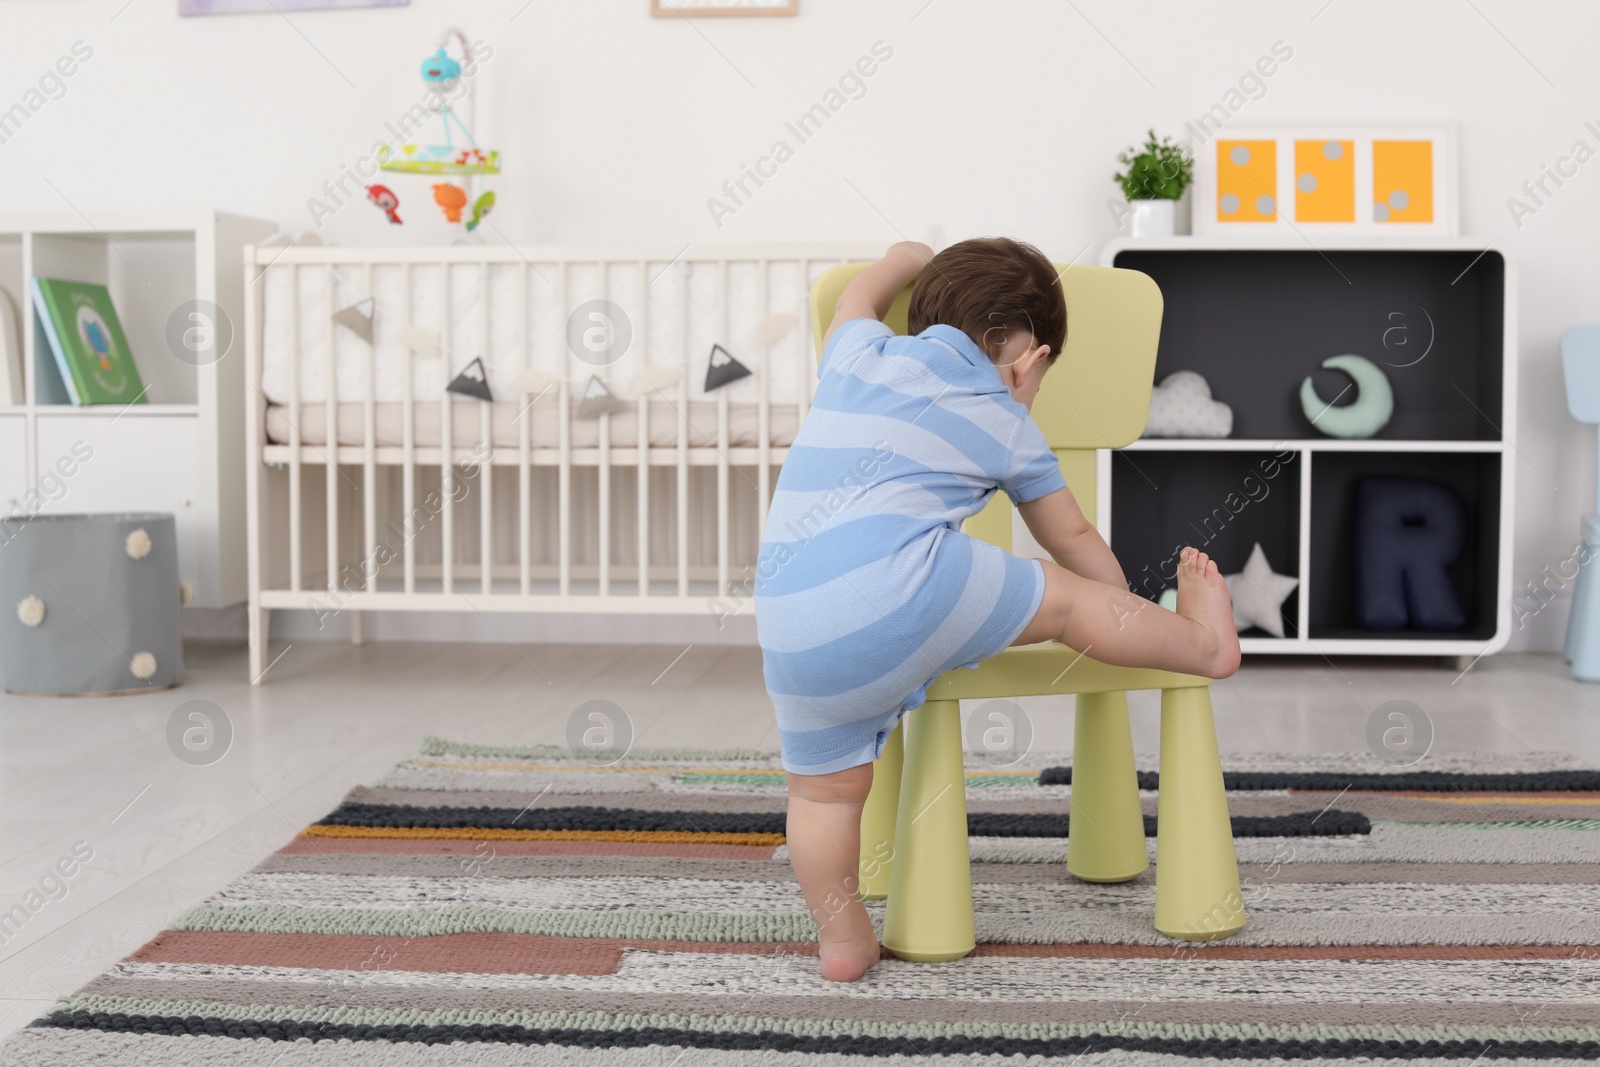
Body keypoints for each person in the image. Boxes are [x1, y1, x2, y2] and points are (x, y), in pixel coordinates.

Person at [754, 238, 1241, 981]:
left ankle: (843, 937)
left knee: (820, 795)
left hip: (790, 616)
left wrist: (898, 258)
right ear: (1030, 360)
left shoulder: (857, 354)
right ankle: (1201, 643)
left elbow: (854, 302)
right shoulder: (1002, 415)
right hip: (905, 590)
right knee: (1071, 597)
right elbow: (1071, 536)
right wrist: (1119, 606)